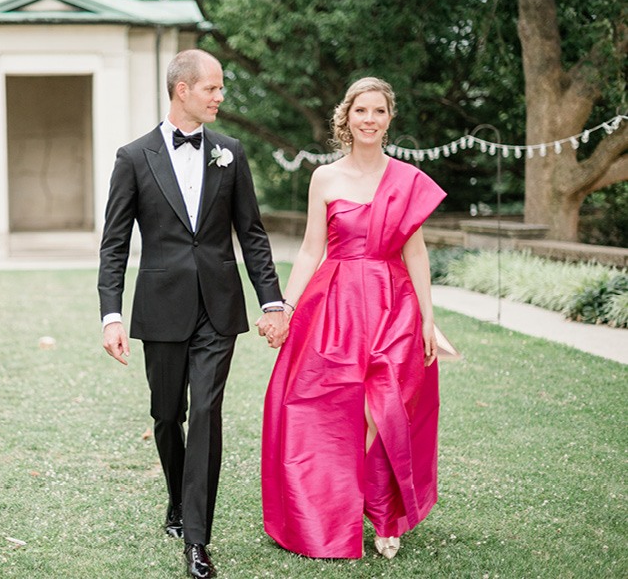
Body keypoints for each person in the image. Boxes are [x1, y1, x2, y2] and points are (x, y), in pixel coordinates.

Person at [98, 49, 288, 579]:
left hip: (218, 308)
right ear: (183, 90)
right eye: (213, 87)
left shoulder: (231, 152)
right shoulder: (133, 157)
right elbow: (114, 245)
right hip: (159, 309)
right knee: (168, 416)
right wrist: (110, 315)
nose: (220, 96)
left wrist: (271, 300)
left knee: (205, 412)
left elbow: (251, 233)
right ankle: (178, 500)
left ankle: (198, 542)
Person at [260, 77, 445, 560]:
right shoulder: (325, 178)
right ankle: (330, 508)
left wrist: (428, 317)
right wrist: (284, 306)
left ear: (389, 119)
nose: (369, 119)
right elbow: (309, 250)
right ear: (347, 117)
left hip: (393, 303)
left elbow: (417, 254)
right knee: (323, 406)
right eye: (361, 111)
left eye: (379, 111)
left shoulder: (406, 179)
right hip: (335, 306)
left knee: (384, 406)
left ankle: (384, 513)